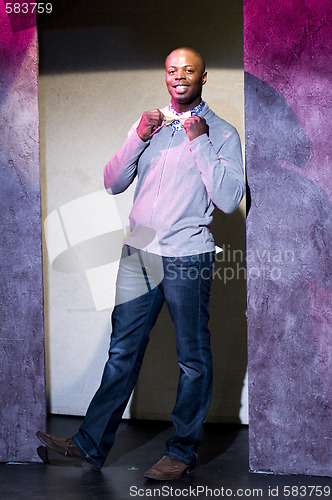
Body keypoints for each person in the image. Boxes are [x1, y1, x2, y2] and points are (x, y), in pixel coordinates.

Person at [37, 47, 245, 480]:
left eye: (189, 70)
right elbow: (113, 183)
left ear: (203, 78)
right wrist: (137, 135)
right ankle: (91, 445)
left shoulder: (222, 134)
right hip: (140, 254)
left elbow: (228, 200)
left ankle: (183, 451)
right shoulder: (150, 127)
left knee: (192, 359)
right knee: (121, 353)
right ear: (165, 77)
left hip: (188, 256)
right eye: (172, 70)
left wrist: (200, 139)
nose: (179, 76)